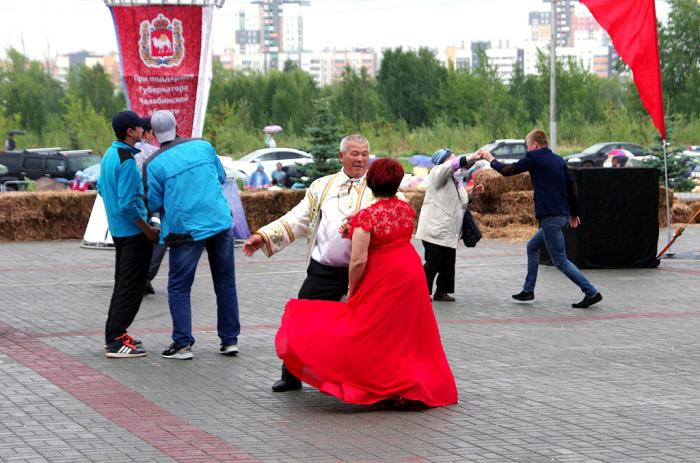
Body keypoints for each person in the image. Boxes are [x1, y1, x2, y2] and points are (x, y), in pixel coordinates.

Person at [276, 158, 458, 407]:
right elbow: (389, 229)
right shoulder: (405, 209)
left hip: (384, 277)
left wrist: (353, 288)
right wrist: (354, 225)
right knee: (404, 335)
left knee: (366, 331)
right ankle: (409, 385)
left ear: (371, 182)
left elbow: (359, 261)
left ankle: (380, 386)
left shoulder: (366, 218)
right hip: (411, 274)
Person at [243, 134, 384, 392]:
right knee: (301, 321)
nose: (361, 159)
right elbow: (297, 219)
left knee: (364, 329)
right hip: (324, 270)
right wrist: (262, 236)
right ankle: (291, 375)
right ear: (342, 156)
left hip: (364, 271)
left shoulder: (378, 188)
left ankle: (361, 382)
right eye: (355, 154)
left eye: (365, 154)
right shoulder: (322, 186)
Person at [146, 110, 241, 360]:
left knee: (178, 287)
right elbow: (221, 177)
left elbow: (153, 202)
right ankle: (230, 340)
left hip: (185, 231)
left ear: (154, 135)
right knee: (225, 283)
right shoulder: (203, 146)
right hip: (219, 222)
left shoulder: (153, 164)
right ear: (177, 125)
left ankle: (183, 343)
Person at [478, 129, 603, 308]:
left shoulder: (534, 157)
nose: (527, 149)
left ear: (535, 145)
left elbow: (506, 171)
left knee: (560, 260)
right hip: (562, 215)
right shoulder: (559, 160)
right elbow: (572, 186)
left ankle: (591, 292)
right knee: (532, 246)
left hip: (550, 218)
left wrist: (490, 158)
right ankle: (528, 290)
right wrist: (574, 213)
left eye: (528, 146)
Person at [98, 111, 160, 358]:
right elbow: (127, 203)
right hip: (134, 233)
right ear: (130, 132)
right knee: (131, 288)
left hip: (119, 231)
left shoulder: (109, 154)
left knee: (123, 284)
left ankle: (115, 333)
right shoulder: (126, 161)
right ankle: (115, 341)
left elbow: (103, 189)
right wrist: (147, 230)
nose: (143, 132)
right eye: (140, 128)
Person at [415, 148, 482, 302]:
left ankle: (442, 291)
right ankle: (422, 291)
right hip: (435, 229)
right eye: (452, 159)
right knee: (433, 262)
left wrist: (472, 195)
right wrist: (470, 157)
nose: (455, 162)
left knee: (448, 262)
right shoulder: (437, 173)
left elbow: (461, 203)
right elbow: (449, 166)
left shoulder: (455, 181)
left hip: (448, 230)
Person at [134, 117, 166, 296]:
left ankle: (135, 278)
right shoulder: (155, 152)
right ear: (148, 133)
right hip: (150, 202)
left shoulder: (123, 152)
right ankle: (146, 277)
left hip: (131, 204)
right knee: (160, 237)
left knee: (137, 241)